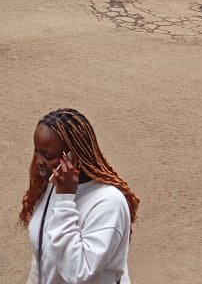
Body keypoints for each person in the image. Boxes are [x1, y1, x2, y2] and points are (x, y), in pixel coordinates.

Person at [21, 109, 138, 284]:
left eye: (47, 155)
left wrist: (65, 200)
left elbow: (78, 272)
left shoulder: (108, 202)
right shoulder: (54, 186)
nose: (38, 162)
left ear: (74, 156)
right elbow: (42, 261)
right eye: (37, 151)